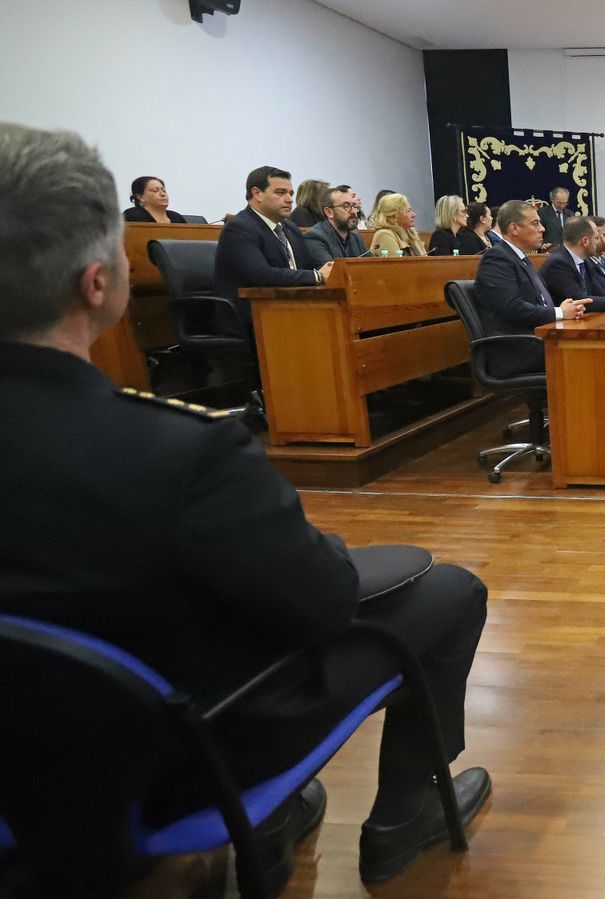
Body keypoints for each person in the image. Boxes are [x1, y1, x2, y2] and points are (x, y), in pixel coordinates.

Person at [0, 122, 494, 892]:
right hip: (169, 761)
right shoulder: (180, 452)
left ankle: (283, 816)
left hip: (18, 769)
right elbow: (323, 603)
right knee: (448, 590)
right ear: (98, 284)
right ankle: (406, 813)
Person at [472, 200, 589, 379]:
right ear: (514, 228)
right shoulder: (497, 258)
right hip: (516, 350)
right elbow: (512, 307)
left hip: (535, 340)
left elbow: (537, 301)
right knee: (593, 354)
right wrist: (559, 312)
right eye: (535, 223)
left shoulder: (520, 258)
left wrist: (566, 308)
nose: (542, 229)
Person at [214, 165, 333, 336]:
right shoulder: (239, 227)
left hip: (289, 310)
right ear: (257, 194)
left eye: (290, 194)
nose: (289, 199)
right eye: (280, 192)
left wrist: (332, 269)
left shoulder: (290, 228)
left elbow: (306, 265)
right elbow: (262, 275)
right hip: (251, 318)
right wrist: (318, 276)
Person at [540, 217, 605, 313]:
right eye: (596, 238)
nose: (598, 242)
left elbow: (604, 293)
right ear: (585, 241)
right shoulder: (558, 264)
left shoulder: (584, 261)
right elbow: (580, 300)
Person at [303, 184, 368, 268]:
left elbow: (371, 267)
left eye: (355, 206)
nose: (353, 212)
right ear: (329, 212)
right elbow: (332, 273)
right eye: (346, 206)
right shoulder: (314, 237)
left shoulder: (356, 237)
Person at [368, 193, 428, 258]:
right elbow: (396, 266)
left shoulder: (410, 233)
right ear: (393, 216)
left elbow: (426, 262)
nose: (413, 215)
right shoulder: (384, 235)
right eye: (408, 211)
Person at [122, 176, 187, 224]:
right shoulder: (132, 216)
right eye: (155, 190)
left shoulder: (177, 218)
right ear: (140, 197)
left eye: (164, 190)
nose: (162, 194)